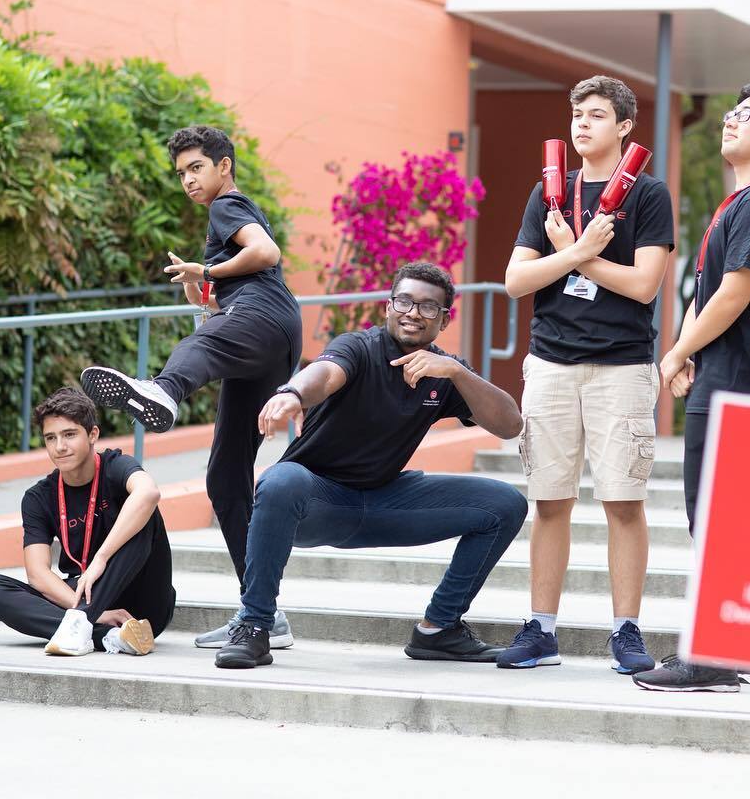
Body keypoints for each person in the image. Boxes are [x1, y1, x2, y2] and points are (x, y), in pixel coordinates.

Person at [212, 262, 527, 669]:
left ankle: (439, 629)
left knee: (504, 504)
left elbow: (509, 425)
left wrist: (458, 373)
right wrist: (293, 393)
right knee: (280, 479)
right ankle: (256, 625)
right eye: (404, 301)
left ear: (444, 320)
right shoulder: (359, 347)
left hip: (384, 502)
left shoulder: (442, 372)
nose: (413, 312)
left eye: (429, 307)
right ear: (387, 306)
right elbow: (325, 375)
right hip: (315, 502)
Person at [79, 124, 302, 649]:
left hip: (264, 317)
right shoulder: (232, 213)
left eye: (196, 168)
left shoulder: (226, 206)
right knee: (226, 477)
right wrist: (203, 289)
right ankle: (263, 610)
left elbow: (266, 253)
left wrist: (206, 266)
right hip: (274, 332)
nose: (188, 181)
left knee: (188, 354)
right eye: (181, 173)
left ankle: (163, 390)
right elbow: (231, 300)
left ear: (224, 166)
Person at [633, 77, 750, 694]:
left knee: (715, 517)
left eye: (749, 114)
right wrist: (685, 354)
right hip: (730, 375)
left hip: (740, 382)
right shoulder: (742, 202)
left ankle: (711, 657)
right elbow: (707, 288)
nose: (731, 120)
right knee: (731, 517)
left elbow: (735, 292)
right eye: (730, 110)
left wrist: (676, 354)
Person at [499, 75, 674, 675]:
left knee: (623, 502)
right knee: (550, 501)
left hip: (621, 368)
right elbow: (516, 281)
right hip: (550, 364)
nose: (582, 125)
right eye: (577, 114)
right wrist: (574, 253)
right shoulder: (549, 191)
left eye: (597, 115)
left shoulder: (648, 195)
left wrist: (580, 258)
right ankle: (541, 627)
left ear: (624, 126)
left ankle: (626, 629)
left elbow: (645, 284)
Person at [0, 388, 176, 656]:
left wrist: (101, 559)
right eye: (51, 438)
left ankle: (82, 624)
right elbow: (38, 574)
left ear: (93, 434)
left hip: (143, 599)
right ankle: (107, 635)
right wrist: (94, 611)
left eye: (69, 435)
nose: (60, 447)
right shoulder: (39, 497)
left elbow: (148, 492)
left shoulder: (115, 466)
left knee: (145, 512)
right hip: (87, 596)